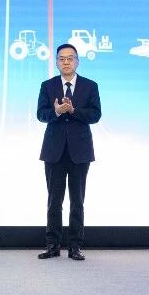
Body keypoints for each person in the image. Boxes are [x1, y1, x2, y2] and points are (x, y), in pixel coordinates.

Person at [36, 43, 101, 260]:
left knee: (77, 201)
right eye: (61, 58)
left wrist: (74, 110)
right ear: (56, 62)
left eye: (70, 58)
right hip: (53, 151)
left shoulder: (90, 86)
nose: (66, 62)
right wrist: (55, 112)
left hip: (80, 151)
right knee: (54, 201)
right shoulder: (47, 86)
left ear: (77, 61)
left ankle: (75, 246)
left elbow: (95, 115)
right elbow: (41, 114)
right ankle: (52, 245)